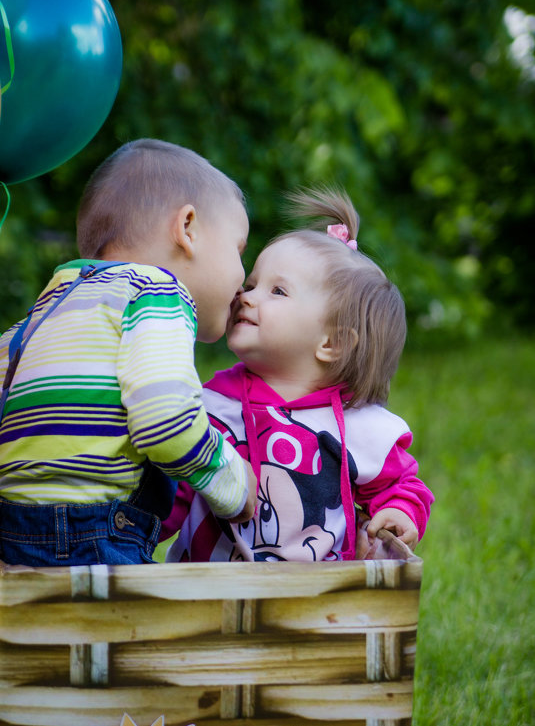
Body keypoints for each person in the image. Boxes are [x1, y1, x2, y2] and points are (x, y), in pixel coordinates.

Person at [0, 138, 256, 567]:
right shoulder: (157, 292)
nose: (243, 278)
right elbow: (165, 419)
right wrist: (232, 482)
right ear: (188, 228)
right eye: (239, 249)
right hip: (93, 536)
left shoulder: (45, 311)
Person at [163, 188, 433, 562]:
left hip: (319, 605)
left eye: (276, 291)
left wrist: (401, 512)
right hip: (209, 594)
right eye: (253, 282)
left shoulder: (360, 427)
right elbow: (177, 482)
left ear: (332, 343)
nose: (246, 295)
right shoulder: (211, 405)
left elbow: (402, 484)